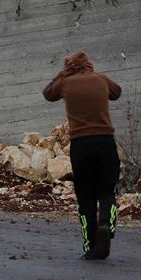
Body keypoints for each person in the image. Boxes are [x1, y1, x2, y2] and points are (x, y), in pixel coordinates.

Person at [43, 51, 122, 260]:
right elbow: (117, 92)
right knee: (107, 191)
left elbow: (48, 94)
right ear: (88, 65)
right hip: (105, 142)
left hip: (80, 145)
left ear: (69, 67)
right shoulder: (101, 79)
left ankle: (91, 247)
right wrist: (96, 77)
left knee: (85, 197)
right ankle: (106, 223)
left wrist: (61, 74)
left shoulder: (66, 83)